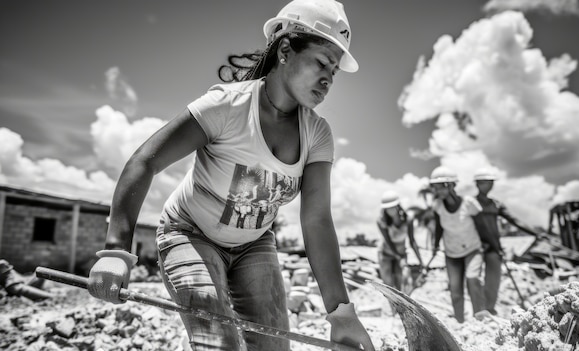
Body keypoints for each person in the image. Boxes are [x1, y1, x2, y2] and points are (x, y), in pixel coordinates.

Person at [86, 0, 375, 350]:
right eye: (321, 62)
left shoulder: (317, 134)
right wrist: (116, 252)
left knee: (273, 346)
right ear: (285, 50)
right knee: (217, 340)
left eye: (335, 70)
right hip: (190, 233)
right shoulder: (227, 107)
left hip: (254, 244)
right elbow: (144, 162)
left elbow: (316, 220)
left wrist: (340, 314)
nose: (329, 77)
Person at [472, 167, 540, 315]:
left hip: (493, 248)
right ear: (478, 184)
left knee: (493, 280)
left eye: (491, 183)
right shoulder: (470, 204)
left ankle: (489, 309)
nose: (490, 186)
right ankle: (478, 310)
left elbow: (515, 220)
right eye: (486, 182)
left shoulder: (496, 204)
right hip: (476, 247)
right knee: (474, 279)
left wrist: (535, 233)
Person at [429, 166, 489, 323]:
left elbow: (482, 226)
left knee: (473, 278)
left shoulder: (469, 204)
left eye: (440, 187)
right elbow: (438, 227)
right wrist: (435, 246)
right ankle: (460, 323)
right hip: (451, 253)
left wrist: (492, 245)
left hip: (473, 250)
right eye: (435, 187)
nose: (438, 191)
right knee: (455, 290)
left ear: (450, 185)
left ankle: (480, 320)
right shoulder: (438, 206)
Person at [376, 190, 421, 294]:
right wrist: (398, 257)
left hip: (401, 253)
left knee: (402, 282)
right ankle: (393, 310)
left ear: (398, 206)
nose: (390, 210)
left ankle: (402, 309)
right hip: (385, 254)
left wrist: (420, 261)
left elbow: (412, 241)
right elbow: (388, 241)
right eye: (387, 208)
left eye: (392, 207)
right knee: (388, 286)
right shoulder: (381, 221)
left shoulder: (408, 219)